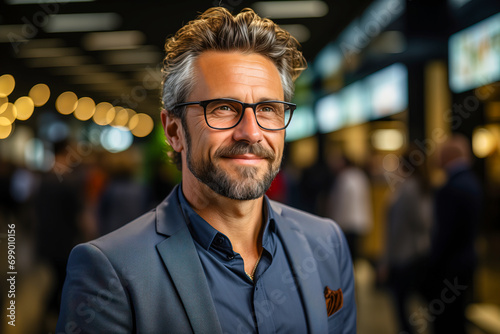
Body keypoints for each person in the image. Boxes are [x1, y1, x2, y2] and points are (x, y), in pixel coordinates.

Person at [56, 7, 356, 334]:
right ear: (174, 131)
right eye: (224, 108)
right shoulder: (110, 271)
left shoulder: (326, 243)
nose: (251, 132)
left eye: (268, 109)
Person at [423, 133, 482, 334]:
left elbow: (444, 234)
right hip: (464, 263)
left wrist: (432, 265)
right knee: (458, 318)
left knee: (447, 321)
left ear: (448, 155)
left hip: (449, 269)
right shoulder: (471, 181)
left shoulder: (451, 188)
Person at [378, 147, 433, 334]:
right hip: (416, 253)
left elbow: (397, 229)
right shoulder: (420, 186)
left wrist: (386, 260)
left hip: (404, 256)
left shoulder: (408, 189)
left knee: (401, 305)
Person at [326, 151, 372, 260]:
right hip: (361, 223)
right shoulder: (360, 175)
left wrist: (334, 223)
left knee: (348, 257)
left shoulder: (344, 178)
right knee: (357, 255)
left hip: (347, 224)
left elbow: (339, 203)